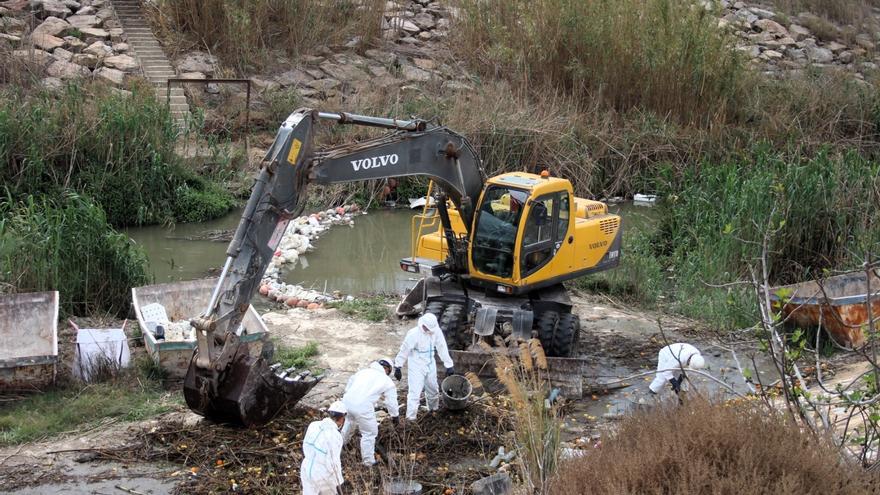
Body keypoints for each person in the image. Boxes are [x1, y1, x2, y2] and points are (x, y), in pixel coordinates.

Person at [393, 313, 455, 421]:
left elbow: (442, 347)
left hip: (430, 362)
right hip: (416, 365)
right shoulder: (413, 334)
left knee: (433, 389)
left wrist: (449, 365)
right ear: (423, 325)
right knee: (415, 393)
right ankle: (411, 418)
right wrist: (398, 366)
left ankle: (433, 410)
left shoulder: (436, 331)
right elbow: (404, 350)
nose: (430, 331)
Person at [341, 358, 400, 466]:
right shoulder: (386, 381)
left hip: (347, 401)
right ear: (388, 369)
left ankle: (340, 446)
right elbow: (391, 402)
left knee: (349, 422)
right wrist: (395, 416)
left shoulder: (363, 372)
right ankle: (368, 462)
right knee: (369, 433)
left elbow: (348, 385)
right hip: (363, 406)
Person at [300, 400, 347, 495]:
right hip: (322, 474)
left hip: (306, 468)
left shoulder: (313, 425)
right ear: (342, 418)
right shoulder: (335, 436)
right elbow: (333, 463)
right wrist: (339, 483)